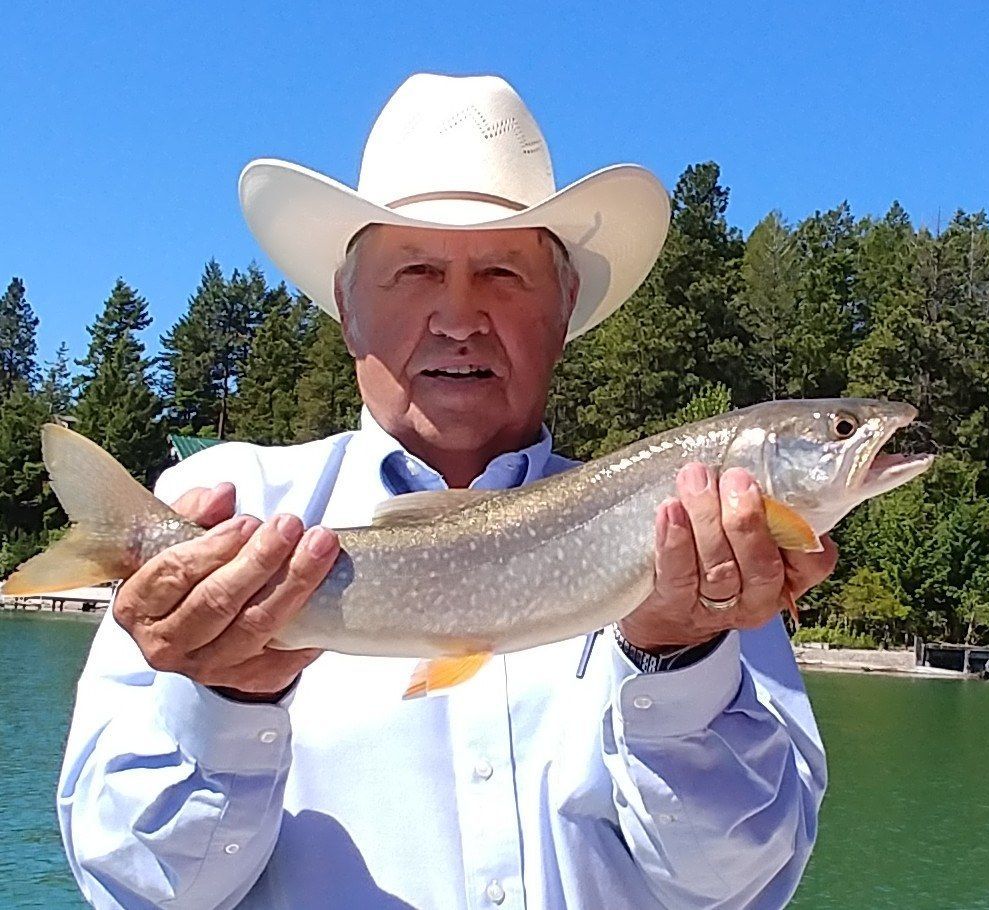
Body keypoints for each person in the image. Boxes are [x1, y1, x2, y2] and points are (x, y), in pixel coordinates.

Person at [58, 74, 833, 910]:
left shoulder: (702, 540)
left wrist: (679, 660)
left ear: (564, 308)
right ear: (347, 309)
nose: (458, 317)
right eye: (416, 271)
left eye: (502, 272)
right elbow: (138, 888)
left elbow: (739, 887)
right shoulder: (221, 504)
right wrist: (225, 699)